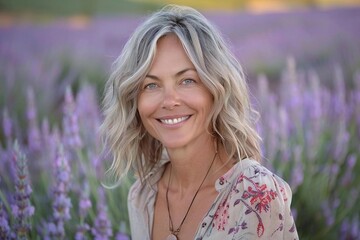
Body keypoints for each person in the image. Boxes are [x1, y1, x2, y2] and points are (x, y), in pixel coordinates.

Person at [100, 4, 298, 240]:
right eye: (151, 85)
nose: (169, 101)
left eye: (187, 80)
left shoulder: (255, 195)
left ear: (216, 88)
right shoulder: (142, 196)